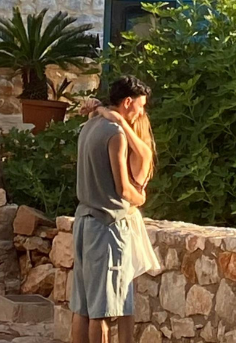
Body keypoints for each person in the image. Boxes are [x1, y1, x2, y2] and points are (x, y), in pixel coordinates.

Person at [70, 75, 150, 343]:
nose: (142, 112)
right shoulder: (115, 134)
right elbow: (123, 189)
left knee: (82, 308)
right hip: (106, 227)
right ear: (128, 102)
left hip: (83, 221)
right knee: (102, 312)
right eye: (141, 106)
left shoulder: (90, 125)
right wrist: (140, 198)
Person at [81, 95, 161, 279]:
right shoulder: (118, 146)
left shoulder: (142, 154)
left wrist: (104, 112)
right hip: (117, 219)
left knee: (115, 290)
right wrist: (98, 110)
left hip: (124, 220)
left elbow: (129, 193)